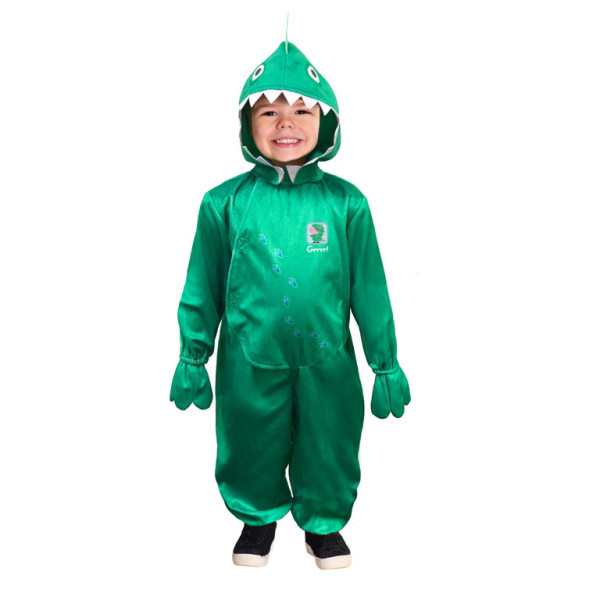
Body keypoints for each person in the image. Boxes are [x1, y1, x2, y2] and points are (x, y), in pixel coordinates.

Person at [170, 40, 411, 570]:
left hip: (329, 358)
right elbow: (202, 282)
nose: (286, 123)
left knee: (330, 440)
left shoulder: (346, 203)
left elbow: (370, 287)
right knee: (248, 438)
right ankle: (257, 519)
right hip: (248, 357)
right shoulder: (223, 202)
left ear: (327, 123)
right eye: (269, 112)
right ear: (246, 124)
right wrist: (193, 355)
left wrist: (385, 362)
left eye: (302, 111)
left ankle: (323, 524)